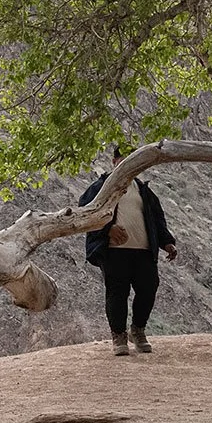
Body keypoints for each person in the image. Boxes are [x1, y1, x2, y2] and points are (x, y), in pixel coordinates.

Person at [78, 150, 178, 356]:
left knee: (149, 288)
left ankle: (138, 330)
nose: (130, 164)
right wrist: (107, 229)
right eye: (125, 160)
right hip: (114, 252)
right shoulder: (101, 188)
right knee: (117, 293)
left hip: (143, 251)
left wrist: (167, 242)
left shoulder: (143, 190)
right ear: (115, 162)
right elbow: (86, 214)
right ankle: (118, 336)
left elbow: (157, 219)